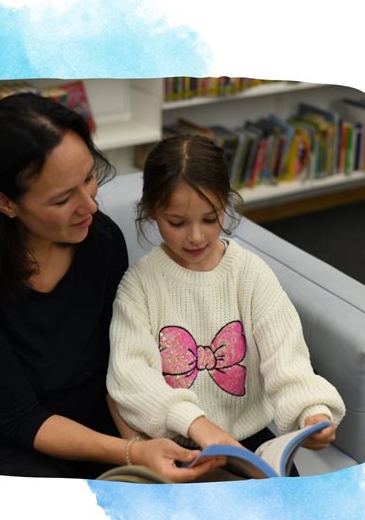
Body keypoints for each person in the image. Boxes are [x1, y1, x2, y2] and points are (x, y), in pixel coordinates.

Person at [0, 92, 220, 481]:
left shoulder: (101, 240)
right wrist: (133, 451)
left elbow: (120, 362)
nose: (90, 206)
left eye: (88, 178)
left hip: (95, 431)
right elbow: (21, 419)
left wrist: (146, 445)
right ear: (5, 203)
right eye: (64, 198)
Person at [106, 134, 346, 476]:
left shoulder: (250, 274)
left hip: (248, 443)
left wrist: (312, 412)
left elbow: (287, 360)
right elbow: (129, 380)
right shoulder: (139, 285)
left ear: (227, 203)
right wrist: (195, 423)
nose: (196, 237)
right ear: (151, 212)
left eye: (210, 218)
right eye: (176, 223)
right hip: (177, 446)